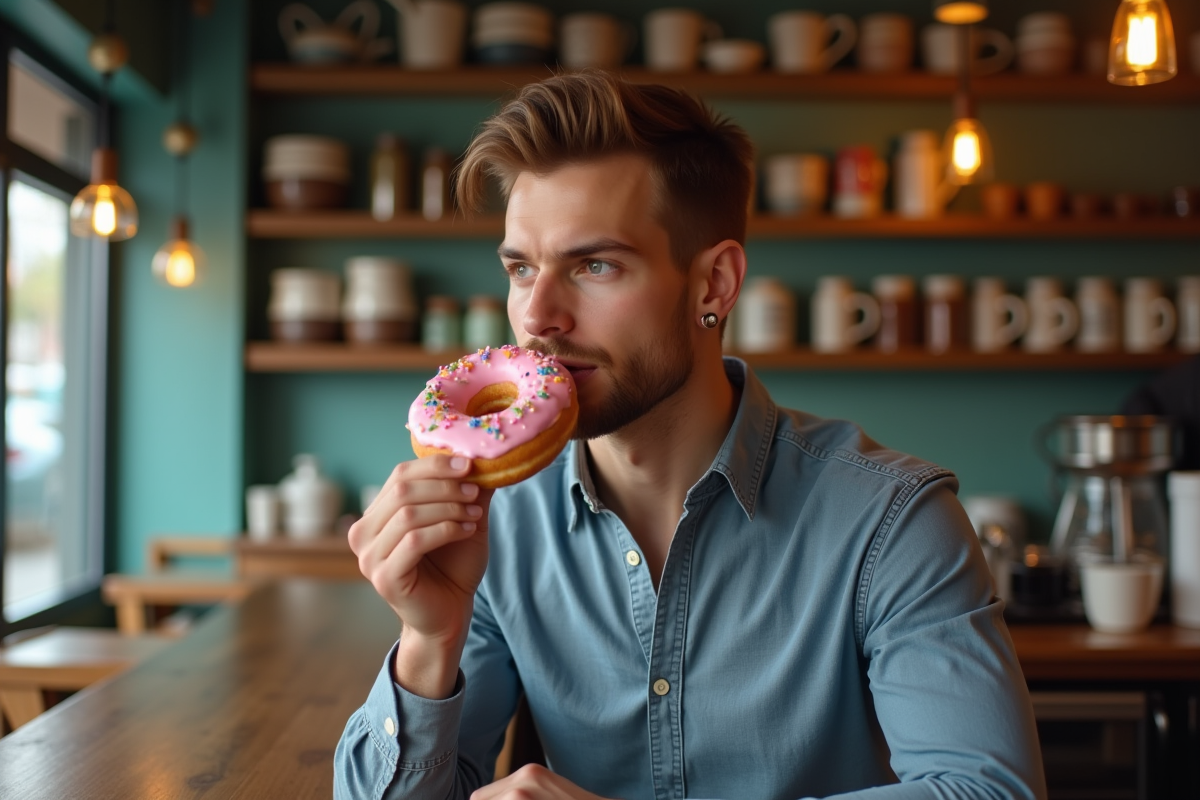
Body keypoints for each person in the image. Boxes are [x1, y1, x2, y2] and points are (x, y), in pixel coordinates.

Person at [334, 71, 1045, 800]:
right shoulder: (499, 523)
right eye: (521, 268)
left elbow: (986, 791)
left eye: (595, 265)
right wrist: (429, 641)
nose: (538, 316)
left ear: (714, 285)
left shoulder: (891, 522)